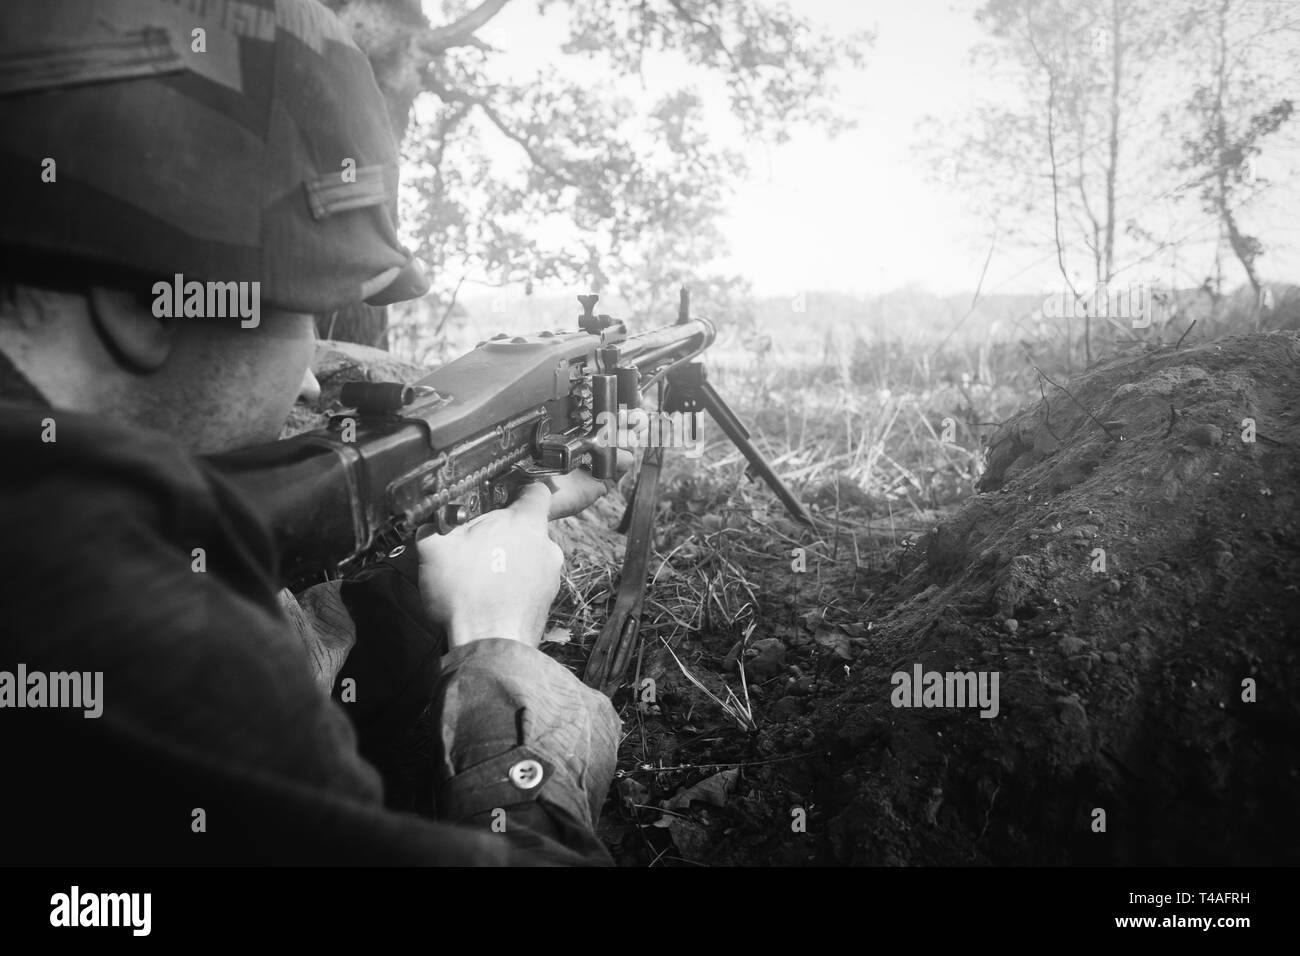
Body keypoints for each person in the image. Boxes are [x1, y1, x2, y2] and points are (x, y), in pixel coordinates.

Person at [0, 0, 620, 865]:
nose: (306, 376)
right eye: (305, 312)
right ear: (139, 303)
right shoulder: (113, 616)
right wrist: (498, 650)